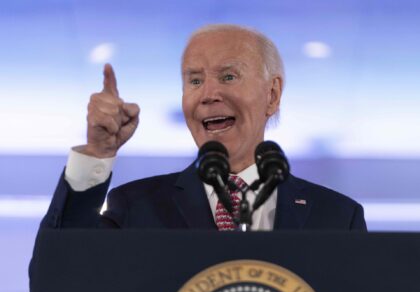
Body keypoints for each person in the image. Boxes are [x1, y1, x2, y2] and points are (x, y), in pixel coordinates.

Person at [40, 24, 367, 231]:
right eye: (195, 80)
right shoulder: (135, 208)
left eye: (228, 76)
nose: (209, 94)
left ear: (272, 94)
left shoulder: (337, 218)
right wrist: (98, 153)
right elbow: (60, 280)